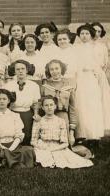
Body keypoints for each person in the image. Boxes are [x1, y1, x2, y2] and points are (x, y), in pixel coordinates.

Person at [73, 24, 110, 153]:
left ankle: (94, 137)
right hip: (79, 79)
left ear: (91, 35)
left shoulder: (95, 48)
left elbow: (100, 65)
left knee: (93, 107)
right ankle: (81, 136)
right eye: (82, 33)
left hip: (91, 79)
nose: (84, 36)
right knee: (80, 106)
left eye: (87, 34)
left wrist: (96, 73)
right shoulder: (75, 48)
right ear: (79, 35)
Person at [31, 96, 93, 168]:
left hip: (57, 146)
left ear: (55, 106)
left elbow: (65, 143)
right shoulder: (38, 121)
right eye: (46, 105)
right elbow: (33, 141)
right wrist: (43, 147)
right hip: (42, 146)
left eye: (51, 105)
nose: (49, 107)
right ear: (42, 107)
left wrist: (53, 149)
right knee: (42, 156)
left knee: (66, 158)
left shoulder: (61, 121)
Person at [0, 89, 35, 168]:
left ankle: (4, 160)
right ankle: (11, 161)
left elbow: (19, 134)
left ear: (8, 101)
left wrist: (11, 148)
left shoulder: (15, 115)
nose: (2, 101)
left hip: (13, 144)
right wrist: (2, 147)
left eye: (4, 99)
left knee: (28, 150)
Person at [41, 59, 77, 146]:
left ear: (62, 69)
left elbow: (72, 109)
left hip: (63, 117)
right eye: (52, 69)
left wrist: (71, 133)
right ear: (49, 71)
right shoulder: (45, 85)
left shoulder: (69, 85)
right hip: (47, 118)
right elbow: (41, 106)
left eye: (57, 68)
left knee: (63, 145)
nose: (54, 71)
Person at [5, 60, 40, 145]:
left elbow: (35, 103)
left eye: (23, 69)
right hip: (13, 113)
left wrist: (36, 114)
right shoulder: (8, 85)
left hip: (27, 114)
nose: (20, 71)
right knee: (14, 137)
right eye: (18, 69)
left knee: (27, 136)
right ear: (14, 71)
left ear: (27, 70)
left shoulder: (34, 85)